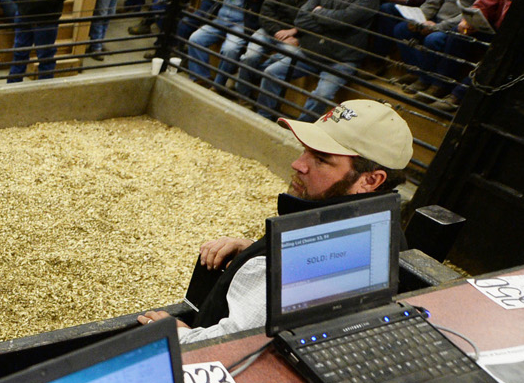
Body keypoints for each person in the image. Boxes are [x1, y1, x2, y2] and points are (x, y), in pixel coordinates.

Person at [140, 99, 411, 342]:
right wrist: (254, 249)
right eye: (305, 150)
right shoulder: (380, 226)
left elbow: (235, 343)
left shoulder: (304, 253)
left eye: (320, 159)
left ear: (370, 180)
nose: (298, 164)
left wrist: (179, 335)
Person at [253, 0, 379, 118]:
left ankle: (299, 132)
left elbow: (344, 20)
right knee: (271, 72)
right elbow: (301, 19)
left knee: (322, 95)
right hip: (312, 51)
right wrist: (332, 23)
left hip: (341, 59)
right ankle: (264, 116)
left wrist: (319, 13)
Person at [234, 0, 335, 105]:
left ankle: (254, 83)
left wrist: (294, 32)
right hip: (271, 30)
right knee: (250, 56)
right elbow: (266, 10)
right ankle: (243, 97)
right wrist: (277, 31)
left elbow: (316, 19)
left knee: (284, 60)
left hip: (296, 36)